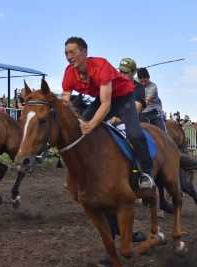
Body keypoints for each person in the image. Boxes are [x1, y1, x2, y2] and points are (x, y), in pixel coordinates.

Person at [62, 37, 155, 191]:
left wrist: (91, 125)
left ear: (84, 52)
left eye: (72, 52)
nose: (68, 56)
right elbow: (65, 101)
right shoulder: (68, 72)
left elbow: (106, 104)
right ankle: (79, 173)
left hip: (123, 98)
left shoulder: (101, 66)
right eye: (66, 53)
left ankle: (146, 172)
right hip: (103, 98)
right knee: (78, 132)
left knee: (134, 134)